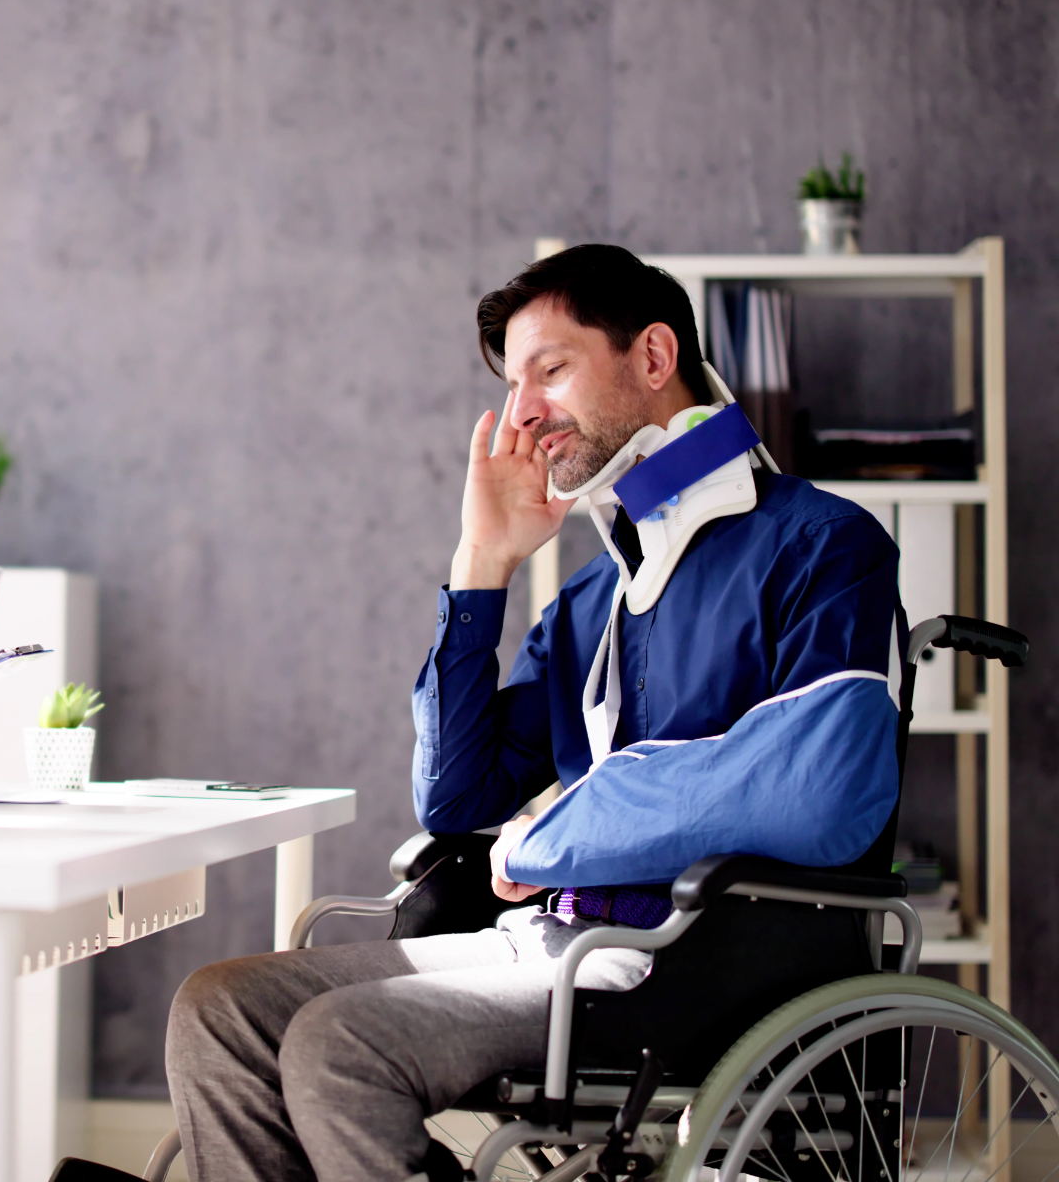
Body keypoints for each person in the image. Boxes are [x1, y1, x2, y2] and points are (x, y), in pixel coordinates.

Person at [137, 245, 903, 1182]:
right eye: (513, 382)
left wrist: (555, 836)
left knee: (340, 1046)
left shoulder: (822, 544)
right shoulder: (593, 600)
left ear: (654, 358)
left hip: (684, 964)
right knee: (219, 1008)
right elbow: (457, 800)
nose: (523, 408)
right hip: (547, 942)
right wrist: (482, 562)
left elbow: (823, 791)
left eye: (553, 368)